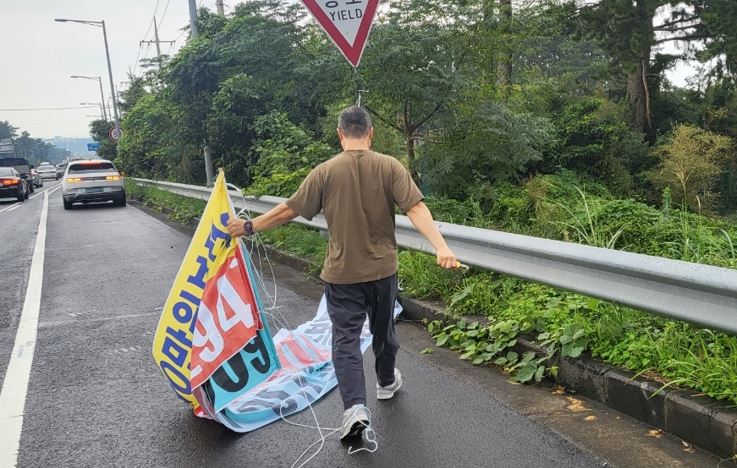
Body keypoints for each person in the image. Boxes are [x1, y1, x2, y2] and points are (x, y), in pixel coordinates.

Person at [227, 106, 457, 440]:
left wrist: (249, 226)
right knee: (383, 332)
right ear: (370, 132)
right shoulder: (390, 166)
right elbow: (416, 208)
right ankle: (386, 381)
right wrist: (441, 246)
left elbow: (288, 210)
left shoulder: (325, 171)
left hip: (342, 275)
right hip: (382, 272)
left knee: (345, 340)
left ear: (340, 134)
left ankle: (354, 410)